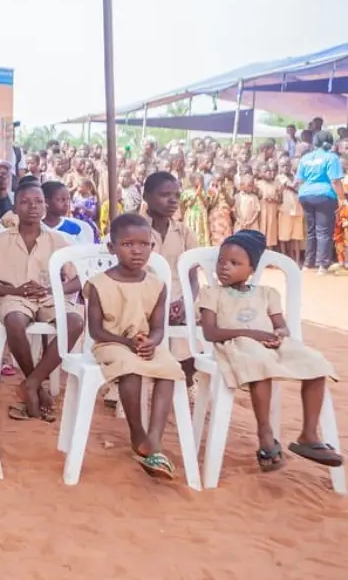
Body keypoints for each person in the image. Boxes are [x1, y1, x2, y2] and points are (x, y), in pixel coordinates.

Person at [197, 229, 341, 471]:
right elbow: (210, 333)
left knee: (315, 364)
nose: (224, 267)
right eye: (221, 261)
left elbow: (281, 327)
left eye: (234, 263)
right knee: (260, 363)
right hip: (236, 346)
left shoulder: (267, 293)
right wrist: (253, 335)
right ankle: (265, 433)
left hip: (269, 345)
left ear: (251, 269)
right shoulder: (211, 294)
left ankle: (308, 435)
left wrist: (278, 336)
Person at [0, 182, 82, 422]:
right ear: (14, 207)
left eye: (38, 201)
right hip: (14, 297)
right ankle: (37, 386)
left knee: (74, 322)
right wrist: (9, 290)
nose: (33, 206)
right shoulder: (1, 241)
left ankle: (31, 383)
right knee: (14, 322)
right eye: (25, 201)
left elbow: (78, 280)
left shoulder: (58, 241)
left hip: (49, 296)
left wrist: (53, 288)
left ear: (45, 206)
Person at [86, 213, 185, 479]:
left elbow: (158, 327)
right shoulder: (98, 284)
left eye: (144, 244)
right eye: (128, 244)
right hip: (111, 343)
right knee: (130, 367)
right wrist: (126, 342)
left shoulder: (157, 285)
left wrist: (151, 342)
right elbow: (95, 330)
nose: (137, 250)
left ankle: (154, 439)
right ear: (112, 247)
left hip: (143, 344)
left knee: (169, 368)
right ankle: (137, 433)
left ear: (152, 247)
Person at [142, 171, 200, 385]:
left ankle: (185, 379)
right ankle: (124, 381)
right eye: (165, 194)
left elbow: (194, 280)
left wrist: (185, 303)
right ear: (146, 196)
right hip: (143, 300)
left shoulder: (184, 233)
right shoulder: (133, 228)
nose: (173, 200)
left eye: (176, 195)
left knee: (207, 322)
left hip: (179, 300)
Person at [294, 130, 344, 273]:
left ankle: (308, 264)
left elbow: (299, 180)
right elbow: (335, 181)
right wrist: (342, 199)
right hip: (324, 195)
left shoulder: (305, 158)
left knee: (311, 231)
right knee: (323, 231)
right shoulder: (331, 157)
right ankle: (322, 265)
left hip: (305, 195)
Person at [179, 172, 211, 247]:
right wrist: (196, 194)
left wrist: (201, 195)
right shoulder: (187, 193)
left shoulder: (204, 192)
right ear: (193, 181)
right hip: (192, 216)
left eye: (202, 180)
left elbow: (207, 204)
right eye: (199, 180)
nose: (201, 182)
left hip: (202, 216)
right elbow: (185, 205)